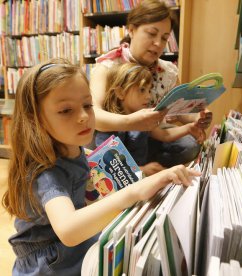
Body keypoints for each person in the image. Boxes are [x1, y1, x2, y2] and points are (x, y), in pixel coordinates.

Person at [2, 58, 200, 275]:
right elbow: (68, 230)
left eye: (87, 105)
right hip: (52, 264)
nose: (84, 116)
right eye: (66, 110)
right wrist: (135, 191)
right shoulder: (46, 172)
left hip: (73, 249)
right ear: (35, 119)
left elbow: (91, 165)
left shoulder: (73, 148)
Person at [90, 0, 212, 167]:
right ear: (131, 30)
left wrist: (199, 117)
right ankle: (133, 169)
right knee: (93, 143)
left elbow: (181, 110)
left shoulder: (167, 71)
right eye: (151, 34)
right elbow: (93, 115)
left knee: (190, 145)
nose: (158, 44)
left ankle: (137, 168)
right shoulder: (107, 67)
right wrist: (132, 122)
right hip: (113, 135)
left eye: (164, 38)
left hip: (151, 136)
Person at [95, 63, 206, 176]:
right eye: (142, 90)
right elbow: (107, 163)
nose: (148, 96)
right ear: (120, 92)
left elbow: (163, 134)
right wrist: (141, 169)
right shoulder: (110, 125)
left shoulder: (143, 118)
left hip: (139, 177)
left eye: (149, 90)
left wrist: (188, 128)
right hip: (122, 179)